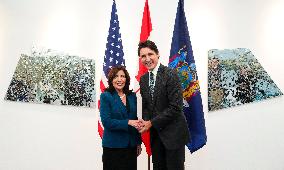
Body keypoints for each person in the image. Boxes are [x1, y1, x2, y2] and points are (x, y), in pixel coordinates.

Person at [138, 40, 190, 170]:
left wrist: (151, 123)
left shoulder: (171, 74)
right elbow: (147, 106)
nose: (147, 59)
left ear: (158, 55)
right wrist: (144, 122)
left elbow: (175, 108)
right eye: (143, 56)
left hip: (174, 135)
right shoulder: (143, 79)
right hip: (156, 137)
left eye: (150, 54)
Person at [100, 66, 142, 170]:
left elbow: (135, 119)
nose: (119, 79)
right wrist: (128, 122)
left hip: (131, 146)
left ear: (126, 79)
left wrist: (138, 142)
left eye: (122, 76)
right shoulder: (106, 96)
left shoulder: (132, 96)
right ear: (111, 80)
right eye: (116, 76)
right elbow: (107, 122)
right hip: (113, 147)